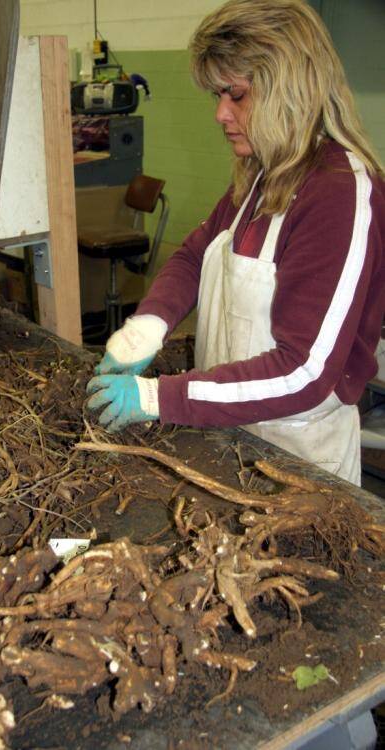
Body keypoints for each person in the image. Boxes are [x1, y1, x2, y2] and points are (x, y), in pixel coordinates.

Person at [86, 0, 385, 486]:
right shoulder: (264, 177)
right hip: (230, 432)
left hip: (296, 462)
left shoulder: (338, 192)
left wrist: (159, 398)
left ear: (289, 87)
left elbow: (304, 374)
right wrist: (146, 326)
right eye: (217, 96)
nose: (221, 113)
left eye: (237, 94)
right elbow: (193, 255)